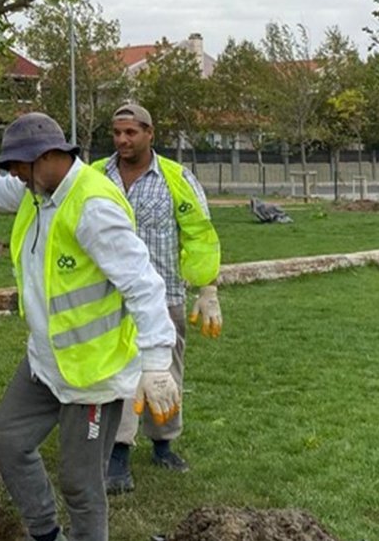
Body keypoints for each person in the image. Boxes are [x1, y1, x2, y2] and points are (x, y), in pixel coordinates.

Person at [0, 107, 181, 541]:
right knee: (7, 437)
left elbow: (143, 285)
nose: (14, 174)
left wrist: (157, 363)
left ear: (48, 155)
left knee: (81, 484)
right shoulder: (37, 192)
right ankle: (46, 535)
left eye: (19, 165)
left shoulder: (93, 207)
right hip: (46, 362)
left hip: (93, 374)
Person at [92, 103, 222, 494]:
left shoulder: (176, 178)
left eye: (130, 132)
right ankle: (118, 452)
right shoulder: (96, 176)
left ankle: (164, 443)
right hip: (110, 298)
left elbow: (199, 233)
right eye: (116, 133)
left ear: (150, 133)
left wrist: (208, 288)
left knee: (167, 372)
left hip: (164, 296)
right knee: (121, 374)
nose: (122, 140)